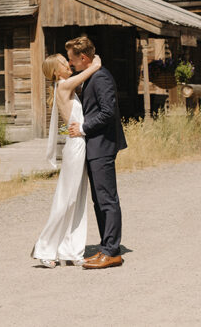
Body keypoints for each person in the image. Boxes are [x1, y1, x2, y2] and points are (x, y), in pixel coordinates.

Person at [31, 52, 103, 268]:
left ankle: (71, 249)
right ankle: (44, 246)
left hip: (79, 141)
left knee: (78, 198)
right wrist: (96, 62)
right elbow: (91, 70)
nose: (68, 63)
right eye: (64, 62)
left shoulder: (67, 87)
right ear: (56, 71)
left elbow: (69, 119)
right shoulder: (63, 85)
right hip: (76, 147)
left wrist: (72, 129)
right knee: (68, 197)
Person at [66, 35, 128, 270]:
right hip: (94, 146)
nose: (71, 65)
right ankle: (106, 247)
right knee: (98, 200)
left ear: (83, 58)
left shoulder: (101, 77)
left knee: (107, 199)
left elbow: (107, 113)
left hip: (102, 144)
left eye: (72, 61)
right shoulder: (92, 74)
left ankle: (112, 252)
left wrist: (82, 128)